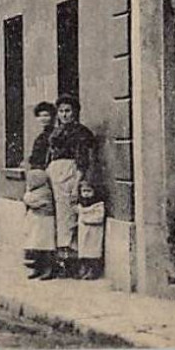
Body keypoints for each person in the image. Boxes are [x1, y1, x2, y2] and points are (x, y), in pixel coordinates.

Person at [47, 94, 100, 277]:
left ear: (75, 112)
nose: (64, 115)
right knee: (60, 218)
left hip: (70, 173)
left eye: (68, 111)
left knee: (69, 217)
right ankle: (62, 260)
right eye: (61, 111)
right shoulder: (56, 131)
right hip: (55, 174)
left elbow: (82, 160)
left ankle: (73, 262)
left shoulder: (80, 132)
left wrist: (78, 181)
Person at [22, 166, 58, 280]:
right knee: (36, 246)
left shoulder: (44, 192)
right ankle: (37, 268)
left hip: (45, 222)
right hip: (36, 222)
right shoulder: (36, 191)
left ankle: (48, 270)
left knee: (45, 246)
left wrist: (28, 196)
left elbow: (29, 200)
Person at [76, 179, 107, 280]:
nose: (86, 194)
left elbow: (99, 217)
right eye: (83, 191)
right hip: (84, 231)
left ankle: (93, 271)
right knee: (84, 251)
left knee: (93, 251)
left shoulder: (98, 205)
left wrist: (86, 219)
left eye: (89, 191)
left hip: (93, 232)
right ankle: (84, 268)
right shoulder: (81, 204)